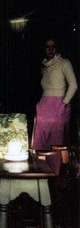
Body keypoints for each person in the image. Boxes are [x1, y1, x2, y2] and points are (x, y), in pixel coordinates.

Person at [33, 38, 78, 174]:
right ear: (44, 48)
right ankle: (41, 171)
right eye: (47, 46)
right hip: (44, 105)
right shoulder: (44, 66)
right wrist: (40, 104)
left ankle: (54, 173)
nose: (50, 49)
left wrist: (64, 104)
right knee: (40, 141)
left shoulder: (64, 63)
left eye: (53, 46)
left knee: (56, 142)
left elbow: (74, 85)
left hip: (59, 104)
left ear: (57, 48)